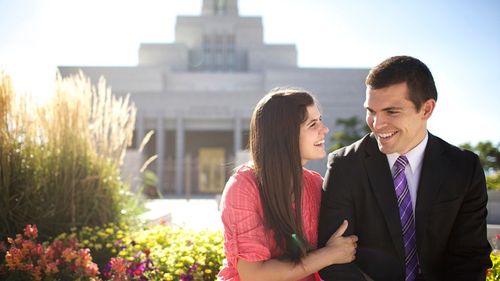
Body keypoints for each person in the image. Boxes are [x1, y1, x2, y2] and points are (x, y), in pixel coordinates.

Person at [317, 55, 492, 281]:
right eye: (371, 111)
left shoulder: (464, 168)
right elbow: (334, 262)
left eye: (391, 112)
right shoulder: (345, 165)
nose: (377, 124)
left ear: (427, 109)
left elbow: (470, 256)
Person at [218, 88, 358, 281]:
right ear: (285, 135)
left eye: (321, 120)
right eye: (312, 124)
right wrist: (328, 254)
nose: (324, 129)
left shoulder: (315, 183)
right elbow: (254, 275)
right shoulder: (243, 187)